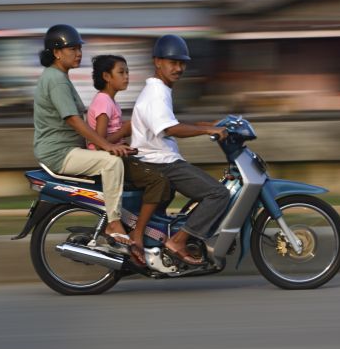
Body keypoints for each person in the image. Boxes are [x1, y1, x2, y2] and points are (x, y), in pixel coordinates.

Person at [32, 24, 134, 248]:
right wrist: (107, 145)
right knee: (112, 163)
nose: (79, 53)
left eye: (79, 48)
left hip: (65, 150)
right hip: (60, 153)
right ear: (57, 52)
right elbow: (73, 120)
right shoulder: (56, 79)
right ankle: (114, 223)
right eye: (72, 49)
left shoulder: (58, 77)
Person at [131, 35, 230, 265]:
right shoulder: (156, 92)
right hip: (160, 162)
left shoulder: (160, 90)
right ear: (157, 62)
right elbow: (170, 128)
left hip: (160, 158)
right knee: (218, 193)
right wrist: (204, 132)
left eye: (182, 63)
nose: (178, 68)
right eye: (172, 63)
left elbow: (167, 121)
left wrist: (202, 125)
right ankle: (179, 240)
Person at [86, 54, 172, 265]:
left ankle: (149, 226)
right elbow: (99, 142)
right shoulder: (104, 101)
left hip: (119, 154)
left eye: (127, 72)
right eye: (121, 72)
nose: (126, 77)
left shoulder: (109, 100)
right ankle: (139, 233)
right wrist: (125, 130)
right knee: (159, 180)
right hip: (109, 158)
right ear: (107, 76)